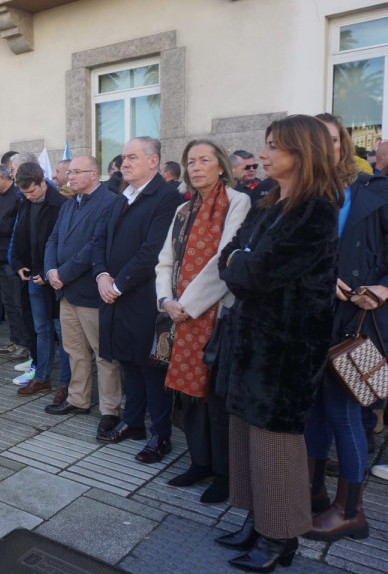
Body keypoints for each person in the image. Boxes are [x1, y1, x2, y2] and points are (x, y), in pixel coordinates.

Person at [214, 115, 343, 572]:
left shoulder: (316, 208)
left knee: (276, 445)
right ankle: (256, 520)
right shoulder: (269, 202)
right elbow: (228, 256)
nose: (262, 155)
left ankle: (280, 537)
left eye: (273, 147)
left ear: (300, 153)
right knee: (246, 437)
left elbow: (254, 272)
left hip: (287, 348)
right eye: (265, 145)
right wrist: (240, 260)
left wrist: (241, 262)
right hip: (252, 340)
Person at [303, 113, 388, 541]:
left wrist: (383, 287)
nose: (326, 148)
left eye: (333, 140)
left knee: (344, 410)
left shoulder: (375, 193)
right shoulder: (298, 196)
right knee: (315, 408)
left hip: (356, 320)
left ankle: (350, 510)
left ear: (345, 146)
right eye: (317, 140)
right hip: (309, 319)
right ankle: (313, 492)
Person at [154, 140, 250, 504]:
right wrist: (166, 300)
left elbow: (224, 261)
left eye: (203, 160)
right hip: (180, 314)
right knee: (188, 394)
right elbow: (165, 261)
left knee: (215, 395)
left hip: (216, 313)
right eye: (190, 162)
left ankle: (224, 473)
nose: (195, 167)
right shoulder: (182, 210)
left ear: (221, 166)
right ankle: (199, 462)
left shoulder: (237, 203)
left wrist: (188, 304)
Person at [93, 137, 183, 464]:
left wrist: (117, 284)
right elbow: (100, 239)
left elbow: (153, 252)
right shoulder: (121, 196)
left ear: (153, 161)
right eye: (124, 158)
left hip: (144, 298)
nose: (124, 163)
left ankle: (161, 434)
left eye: (132, 157)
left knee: (151, 368)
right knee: (127, 361)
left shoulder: (168, 198)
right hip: (114, 295)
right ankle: (133, 422)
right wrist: (102, 274)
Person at [43, 155, 121, 429]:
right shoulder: (68, 204)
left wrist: (62, 274)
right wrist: (50, 269)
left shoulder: (109, 202)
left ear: (94, 174)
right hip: (65, 292)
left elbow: (94, 247)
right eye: (69, 173)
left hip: (90, 291)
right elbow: (53, 239)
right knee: (74, 350)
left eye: (77, 172)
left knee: (104, 354)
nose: (70, 177)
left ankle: (111, 409)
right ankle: (78, 398)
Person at [11, 162, 70, 398]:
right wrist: (17, 264)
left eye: (32, 191)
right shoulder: (25, 202)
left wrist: (49, 272)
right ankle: (42, 378)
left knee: (62, 332)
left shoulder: (61, 205)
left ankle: (66, 383)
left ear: (43, 182)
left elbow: (62, 246)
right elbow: (19, 236)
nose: (29, 196)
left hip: (54, 281)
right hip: (33, 277)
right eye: (24, 192)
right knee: (41, 330)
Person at [0, 164, 32, 363]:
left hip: (11, 259)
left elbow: (19, 230)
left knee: (18, 302)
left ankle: (25, 344)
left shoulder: (18, 198)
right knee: (8, 303)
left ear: (4, 178)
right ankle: (15, 340)